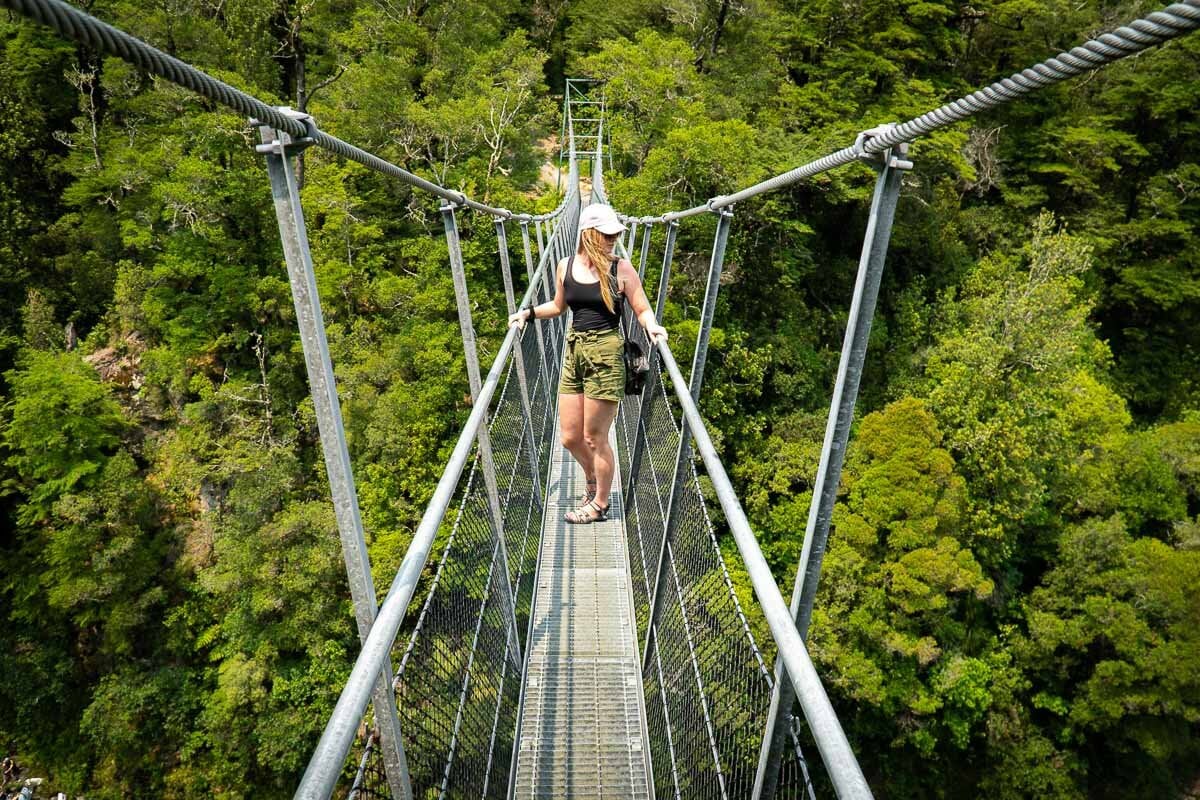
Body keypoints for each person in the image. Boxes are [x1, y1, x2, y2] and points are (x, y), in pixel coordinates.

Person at [509, 203, 667, 523]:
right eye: (607, 235)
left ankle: (599, 504)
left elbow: (641, 308)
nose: (612, 240)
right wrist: (527, 314)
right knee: (569, 437)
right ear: (589, 234)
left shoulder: (620, 269)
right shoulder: (565, 266)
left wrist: (652, 326)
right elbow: (558, 306)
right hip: (574, 350)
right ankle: (594, 479)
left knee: (595, 438)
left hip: (606, 354)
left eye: (615, 235)